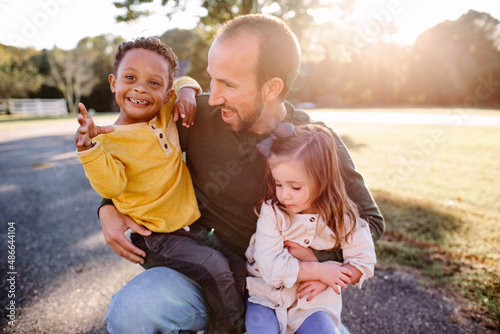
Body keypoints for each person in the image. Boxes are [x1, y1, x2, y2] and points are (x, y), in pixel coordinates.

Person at [97, 14, 385, 334]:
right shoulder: (196, 116)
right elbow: (135, 146)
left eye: (228, 84)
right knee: (131, 311)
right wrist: (107, 204)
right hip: (210, 274)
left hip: (287, 290)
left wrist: (313, 261)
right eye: (212, 79)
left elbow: (370, 221)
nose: (215, 96)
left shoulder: (314, 142)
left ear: (271, 88)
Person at [75, 37, 245, 333]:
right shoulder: (108, 140)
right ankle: (231, 329)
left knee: (239, 269)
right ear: (114, 82)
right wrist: (89, 149)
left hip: (194, 229)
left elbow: (185, 81)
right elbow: (111, 188)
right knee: (214, 267)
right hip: (158, 236)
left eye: (154, 83)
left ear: (167, 92)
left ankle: (234, 318)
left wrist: (187, 93)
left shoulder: (166, 112)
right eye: (130, 78)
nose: (141, 88)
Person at [245, 123, 377, 334]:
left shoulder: (342, 217)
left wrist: (330, 277)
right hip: (267, 297)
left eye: (295, 187)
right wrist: (319, 271)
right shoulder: (273, 212)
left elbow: (363, 260)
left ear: (322, 180)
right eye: (278, 184)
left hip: (313, 301)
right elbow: (269, 266)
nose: (284, 194)